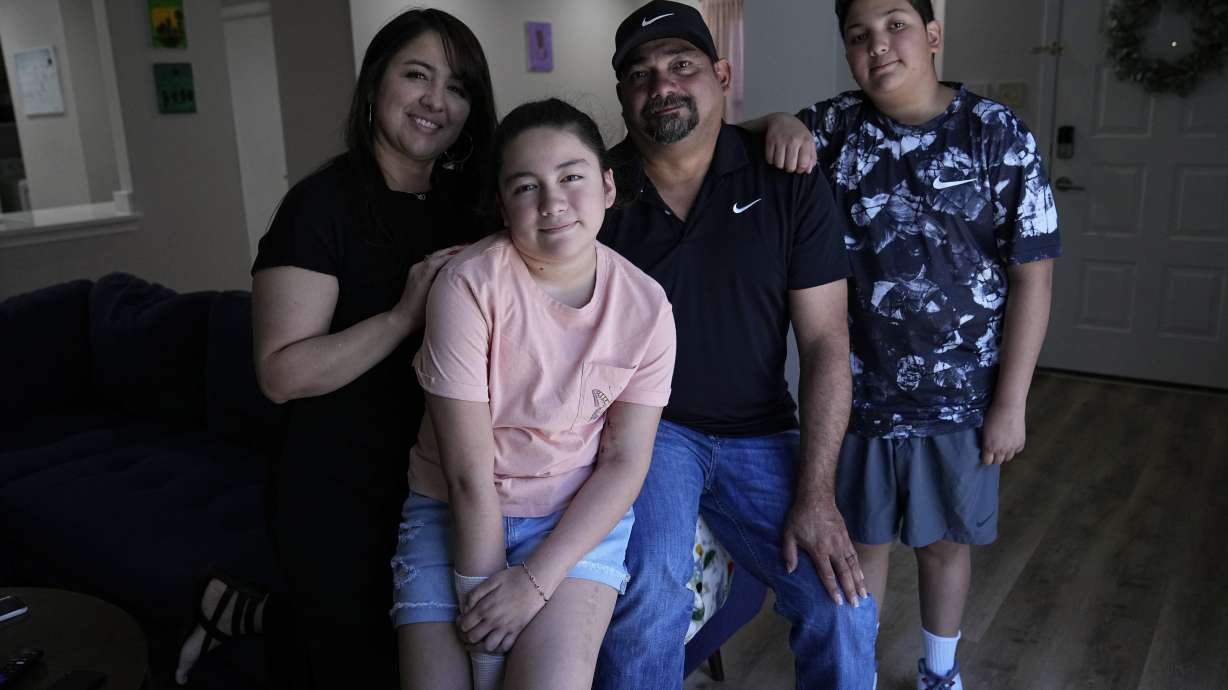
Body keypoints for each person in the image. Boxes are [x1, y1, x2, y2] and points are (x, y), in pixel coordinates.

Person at [174, 8, 498, 688]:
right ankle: (243, 618)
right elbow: (280, 373)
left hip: (436, 481)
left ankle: (236, 611)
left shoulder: (470, 205)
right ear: (376, 81)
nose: (436, 101)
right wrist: (402, 315)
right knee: (356, 661)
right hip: (337, 489)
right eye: (417, 75)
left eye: (457, 86)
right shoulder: (320, 206)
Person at [747, 1, 1061, 687]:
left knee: (945, 547)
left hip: (961, 400)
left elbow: (1033, 277)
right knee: (859, 545)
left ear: (933, 35)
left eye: (896, 25)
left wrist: (1012, 403)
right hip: (856, 396)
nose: (878, 45)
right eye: (858, 35)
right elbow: (733, 139)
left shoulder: (996, 132)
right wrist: (775, 122)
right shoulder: (832, 127)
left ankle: (939, 671)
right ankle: (855, 669)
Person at [593, 2, 879, 689]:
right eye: (641, 74)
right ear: (623, 96)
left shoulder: (786, 177)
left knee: (843, 606)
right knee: (651, 591)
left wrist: (817, 494)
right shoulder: (597, 194)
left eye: (682, 65)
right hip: (652, 431)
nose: (662, 84)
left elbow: (825, 342)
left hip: (762, 429)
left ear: (722, 75)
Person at [392, 97, 677, 690]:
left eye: (571, 177)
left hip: (570, 519)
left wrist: (533, 583)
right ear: (503, 206)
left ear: (607, 186)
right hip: (453, 509)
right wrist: (486, 638)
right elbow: (468, 475)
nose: (552, 203)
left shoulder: (647, 307)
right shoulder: (469, 285)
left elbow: (625, 461)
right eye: (526, 187)